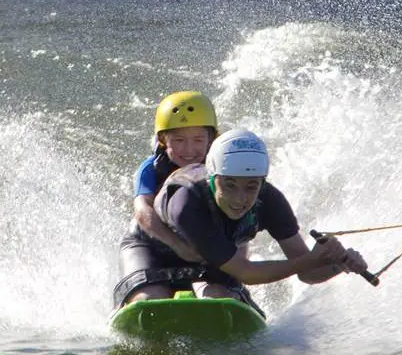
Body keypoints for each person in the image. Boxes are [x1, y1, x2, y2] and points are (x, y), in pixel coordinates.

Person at [112, 129, 369, 315]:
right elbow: (245, 271)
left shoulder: (270, 200)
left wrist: (338, 263)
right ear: (212, 179)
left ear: (262, 182)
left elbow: (307, 272)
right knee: (150, 303)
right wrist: (314, 258)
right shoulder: (186, 202)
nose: (240, 199)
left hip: (213, 258)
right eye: (229, 185)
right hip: (152, 250)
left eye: (251, 187)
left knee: (218, 301)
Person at [115, 90, 219, 304]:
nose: (189, 150)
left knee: (216, 296)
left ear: (211, 138)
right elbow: (143, 212)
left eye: (198, 139)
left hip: (202, 248)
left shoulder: (221, 168)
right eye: (179, 140)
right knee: (149, 300)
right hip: (148, 244)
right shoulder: (150, 169)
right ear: (163, 139)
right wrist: (178, 246)